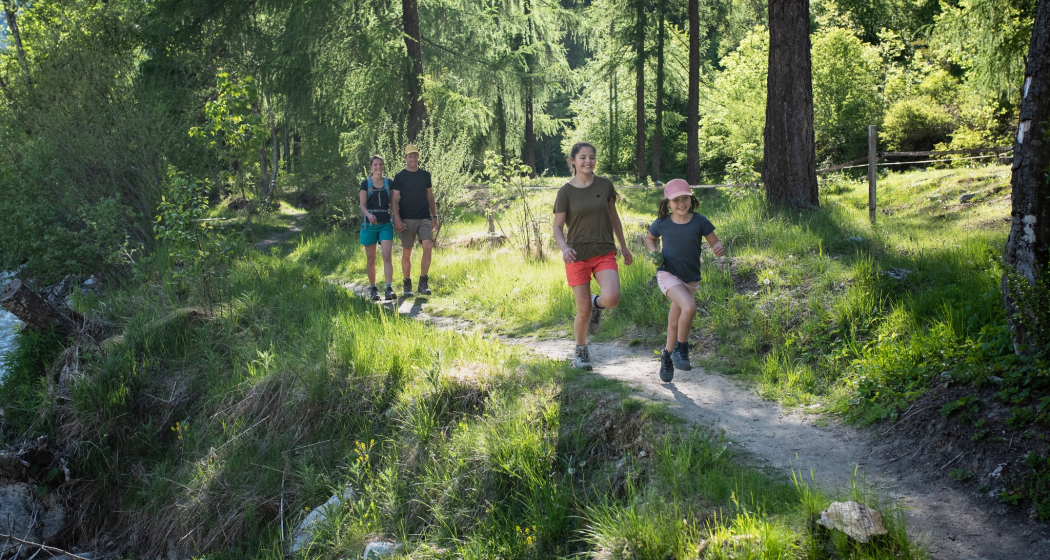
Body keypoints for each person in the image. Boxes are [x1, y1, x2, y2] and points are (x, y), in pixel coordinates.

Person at [553, 142, 633, 370]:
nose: (588, 161)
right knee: (583, 310)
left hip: (604, 250)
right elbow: (557, 227)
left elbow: (613, 216)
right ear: (573, 161)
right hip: (576, 255)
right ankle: (580, 351)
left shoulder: (605, 185)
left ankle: (599, 304)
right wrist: (564, 248)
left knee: (612, 298)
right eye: (583, 157)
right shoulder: (565, 192)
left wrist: (624, 246)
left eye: (592, 157)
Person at [644, 178, 724, 382]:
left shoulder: (700, 221)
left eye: (685, 198)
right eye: (676, 200)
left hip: (690, 279)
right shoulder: (662, 223)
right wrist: (653, 253)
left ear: (691, 198)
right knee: (689, 307)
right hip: (668, 274)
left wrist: (718, 248)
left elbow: (715, 242)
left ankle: (666, 355)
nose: (681, 203)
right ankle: (682, 349)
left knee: (673, 322)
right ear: (667, 203)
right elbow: (649, 238)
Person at [391, 144, 440, 297]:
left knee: (428, 245)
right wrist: (397, 219)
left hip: (424, 217)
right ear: (405, 158)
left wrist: (435, 217)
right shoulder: (400, 177)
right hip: (406, 219)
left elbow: (430, 197)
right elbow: (394, 200)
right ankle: (407, 284)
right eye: (410, 156)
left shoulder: (425, 175)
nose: (413, 159)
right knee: (407, 251)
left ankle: (423, 282)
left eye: (415, 156)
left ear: (418, 157)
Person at [359, 155, 397, 301]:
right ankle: (373, 288)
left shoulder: (389, 183)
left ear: (383, 166)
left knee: (387, 256)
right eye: (375, 165)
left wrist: (398, 219)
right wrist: (369, 215)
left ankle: (388, 288)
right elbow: (362, 205)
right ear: (371, 167)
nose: (378, 167)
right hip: (369, 225)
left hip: (385, 224)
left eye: (381, 164)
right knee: (371, 258)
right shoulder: (365, 183)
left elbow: (394, 203)